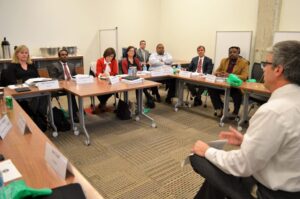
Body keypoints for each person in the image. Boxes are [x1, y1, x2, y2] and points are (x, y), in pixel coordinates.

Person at [190, 40, 300, 199]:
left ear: (278, 69)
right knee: (217, 179)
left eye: (265, 64)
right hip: (291, 184)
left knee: (197, 157)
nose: (263, 69)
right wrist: (247, 141)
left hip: (271, 193)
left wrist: (207, 150)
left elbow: (242, 165)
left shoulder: (274, 111)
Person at [3, 45, 48, 131]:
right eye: (22, 53)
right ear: (17, 54)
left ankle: (38, 117)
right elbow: (12, 82)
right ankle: (36, 117)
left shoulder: (31, 65)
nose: (24, 55)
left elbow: (38, 78)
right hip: (21, 92)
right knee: (38, 97)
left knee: (44, 95)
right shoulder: (12, 66)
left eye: (26, 53)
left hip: (34, 89)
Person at [208, 46, 249, 118]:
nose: (232, 54)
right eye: (230, 52)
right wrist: (219, 73)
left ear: (238, 53)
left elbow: (244, 77)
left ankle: (235, 112)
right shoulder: (224, 60)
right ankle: (221, 108)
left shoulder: (244, 63)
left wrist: (230, 75)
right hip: (223, 84)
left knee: (238, 93)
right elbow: (216, 71)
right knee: (211, 88)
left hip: (235, 86)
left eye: (234, 52)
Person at [47, 48, 79, 123]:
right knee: (71, 93)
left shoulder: (71, 65)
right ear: (59, 56)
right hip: (60, 87)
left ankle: (77, 111)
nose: (64, 56)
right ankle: (74, 114)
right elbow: (54, 79)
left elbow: (75, 76)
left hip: (72, 85)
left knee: (79, 90)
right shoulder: (54, 65)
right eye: (62, 55)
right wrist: (66, 82)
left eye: (66, 55)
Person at [95, 47, 118, 111]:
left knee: (112, 89)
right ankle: (103, 103)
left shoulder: (114, 61)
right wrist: (101, 74)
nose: (110, 58)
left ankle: (102, 103)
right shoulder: (100, 60)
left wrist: (108, 74)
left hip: (110, 80)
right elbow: (98, 72)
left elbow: (115, 72)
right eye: (109, 56)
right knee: (98, 91)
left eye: (112, 56)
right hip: (101, 80)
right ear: (105, 55)